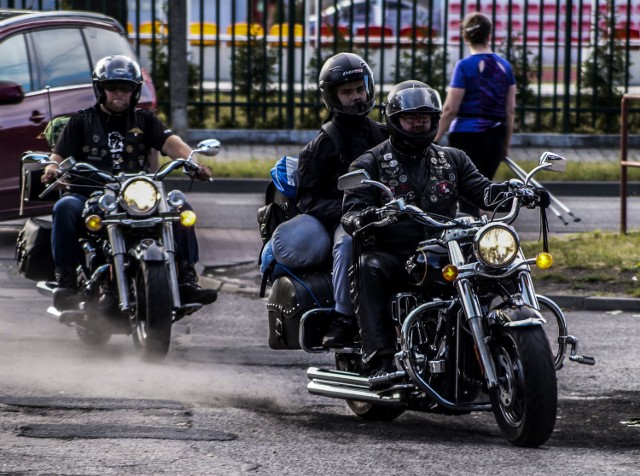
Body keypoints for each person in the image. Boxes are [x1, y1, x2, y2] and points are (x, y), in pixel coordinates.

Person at [341, 80, 545, 387]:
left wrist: (517, 191)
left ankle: (487, 347)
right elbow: (351, 212)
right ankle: (379, 358)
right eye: (412, 116)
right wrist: (374, 214)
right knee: (369, 266)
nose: (420, 121)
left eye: (426, 116)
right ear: (394, 120)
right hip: (397, 253)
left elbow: (483, 193)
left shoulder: (452, 158)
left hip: (443, 248)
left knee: (493, 268)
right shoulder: (371, 162)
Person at [41, 54, 217, 310]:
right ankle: (67, 281)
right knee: (64, 207)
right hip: (91, 193)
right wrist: (52, 168)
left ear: (134, 91)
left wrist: (193, 161)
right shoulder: (81, 121)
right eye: (112, 87)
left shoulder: (145, 120)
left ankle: (186, 280)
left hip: (136, 195)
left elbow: (171, 144)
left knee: (181, 209)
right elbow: (57, 156)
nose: (119, 93)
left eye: (125, 88)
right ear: (100, 89)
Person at [296, 52, 387, 348]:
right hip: (350, 220)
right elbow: (307, 199)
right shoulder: (322, 145)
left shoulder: (384, 135)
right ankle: (344, 317)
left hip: (389, 214)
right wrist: (350, 211)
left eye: (360, 89)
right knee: (348, 241)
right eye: (347, 92)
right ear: (332, 97)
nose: (357, 97)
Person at [434, 11, 516, 217]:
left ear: (465, 36)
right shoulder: (505, 67)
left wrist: (433, 138)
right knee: (482, 192)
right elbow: (510, 110)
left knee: (465, 196)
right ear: (489, 35)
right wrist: (505, 144)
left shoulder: (464, 67)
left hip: (466, 138)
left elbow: (451, 109)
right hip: (495, 137)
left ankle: (468, 243)